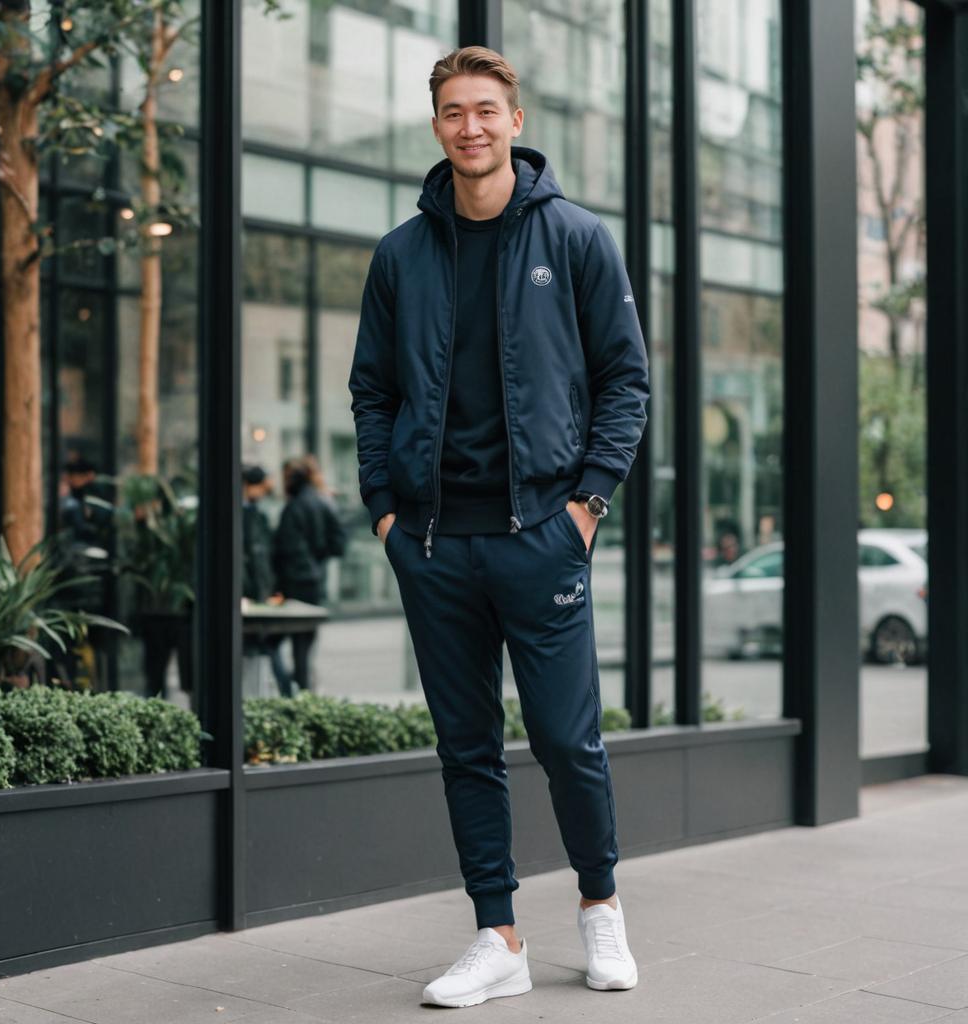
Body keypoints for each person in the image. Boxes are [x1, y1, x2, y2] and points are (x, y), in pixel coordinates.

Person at [347, 46, 649, 1007]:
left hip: (541, 538)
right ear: (435, 126)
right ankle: (499, 936)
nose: (469, 127)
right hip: (434, 545)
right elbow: (372, 392)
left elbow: (625, 381)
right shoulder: (401, 253)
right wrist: (385, 512)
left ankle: (600, 910)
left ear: (516, 120)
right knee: (465, 746)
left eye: (485, 110)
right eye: (451, 112)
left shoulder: (577, 239)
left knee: (568, 740)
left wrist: (587, 507)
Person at [272, 454, 347, 694]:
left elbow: (286, 548)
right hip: (314, 581)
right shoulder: (322, 502)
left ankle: (295, 691)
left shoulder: (293, 508)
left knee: (283, 642)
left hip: (294, 583)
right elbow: (338, 544)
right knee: (304, 644)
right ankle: (302, 691)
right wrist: (318, 558)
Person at [241, 464, 289, 691]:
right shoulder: (247, 515)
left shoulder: (254, 514)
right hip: (251, 593)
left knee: (266, 648)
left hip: (257, 592)